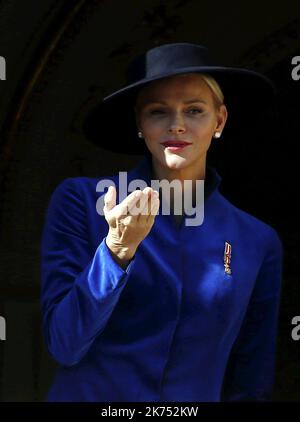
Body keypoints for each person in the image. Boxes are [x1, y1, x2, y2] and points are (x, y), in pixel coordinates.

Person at [40, 42, 284, 402]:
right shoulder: (82, 201)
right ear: (139, 123)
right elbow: (64, 344)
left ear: (220, 120)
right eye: (158, 112)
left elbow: (251, 377)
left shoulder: (256, 239)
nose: (177, 125)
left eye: (195, 110)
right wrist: (116, 251)